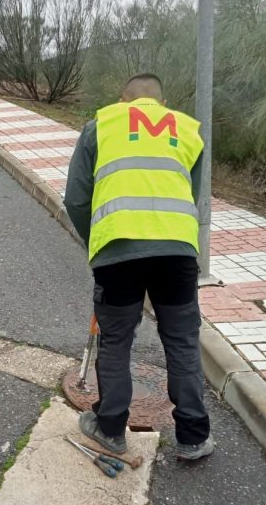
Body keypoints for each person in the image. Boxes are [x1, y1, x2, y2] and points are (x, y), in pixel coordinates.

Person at [64, 73, 214, 461]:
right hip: (177, 250)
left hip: (118, 249)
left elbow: (76, 199)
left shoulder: (101, 126)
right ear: (162, 103)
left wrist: (97, 241)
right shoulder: (189, 131)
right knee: (181, 340)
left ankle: (110, 428)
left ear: (123, 99)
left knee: (116, 341)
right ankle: (194, 437)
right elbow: (193, 197)